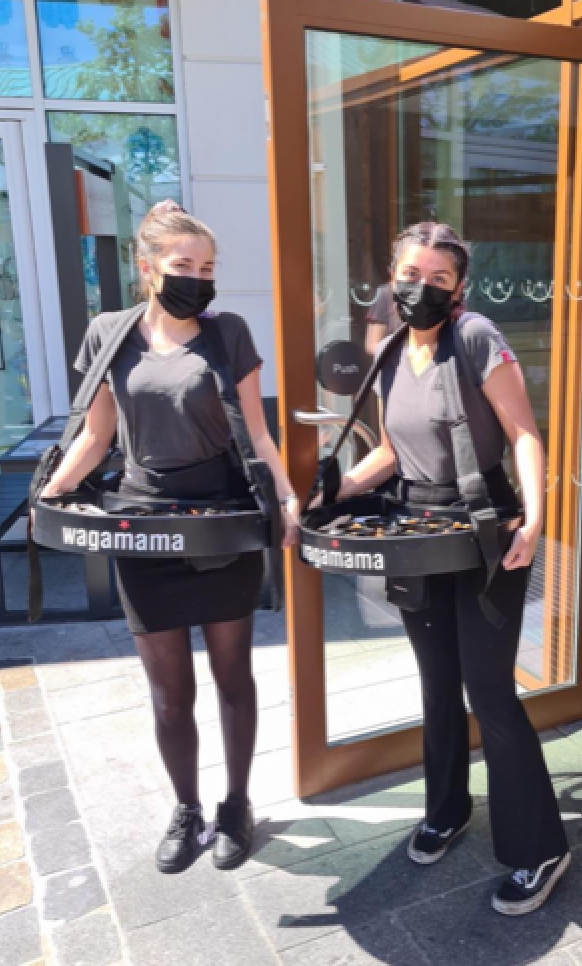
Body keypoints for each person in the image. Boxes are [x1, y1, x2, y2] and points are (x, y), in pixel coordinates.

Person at [39, 200, 300, 874]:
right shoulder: (109, 333)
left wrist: (288, 493)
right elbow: (97, 435)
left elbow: (259, 431)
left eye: (208, 267)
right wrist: (50, 495)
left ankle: (236, 805)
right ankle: (187, 809)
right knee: (167, 691)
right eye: (184, 265)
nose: (198, 278)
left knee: (233, 675)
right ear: (147, 265)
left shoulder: (229, 332)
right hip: (144, 523)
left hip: (221, 521)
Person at [329, 222, 569, 916]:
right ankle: (446, 810)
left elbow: (524, 432)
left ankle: (538, 848)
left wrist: (535, 518)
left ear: (459, 287)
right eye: (411, 273)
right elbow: (393, 454)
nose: (422, 287)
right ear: (391, 275)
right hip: (417, 529)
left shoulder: (476, 338)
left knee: (488, 690)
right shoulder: (390, 349)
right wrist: (337, 488)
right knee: (437, 682)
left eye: (438, 278)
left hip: (487, 527)